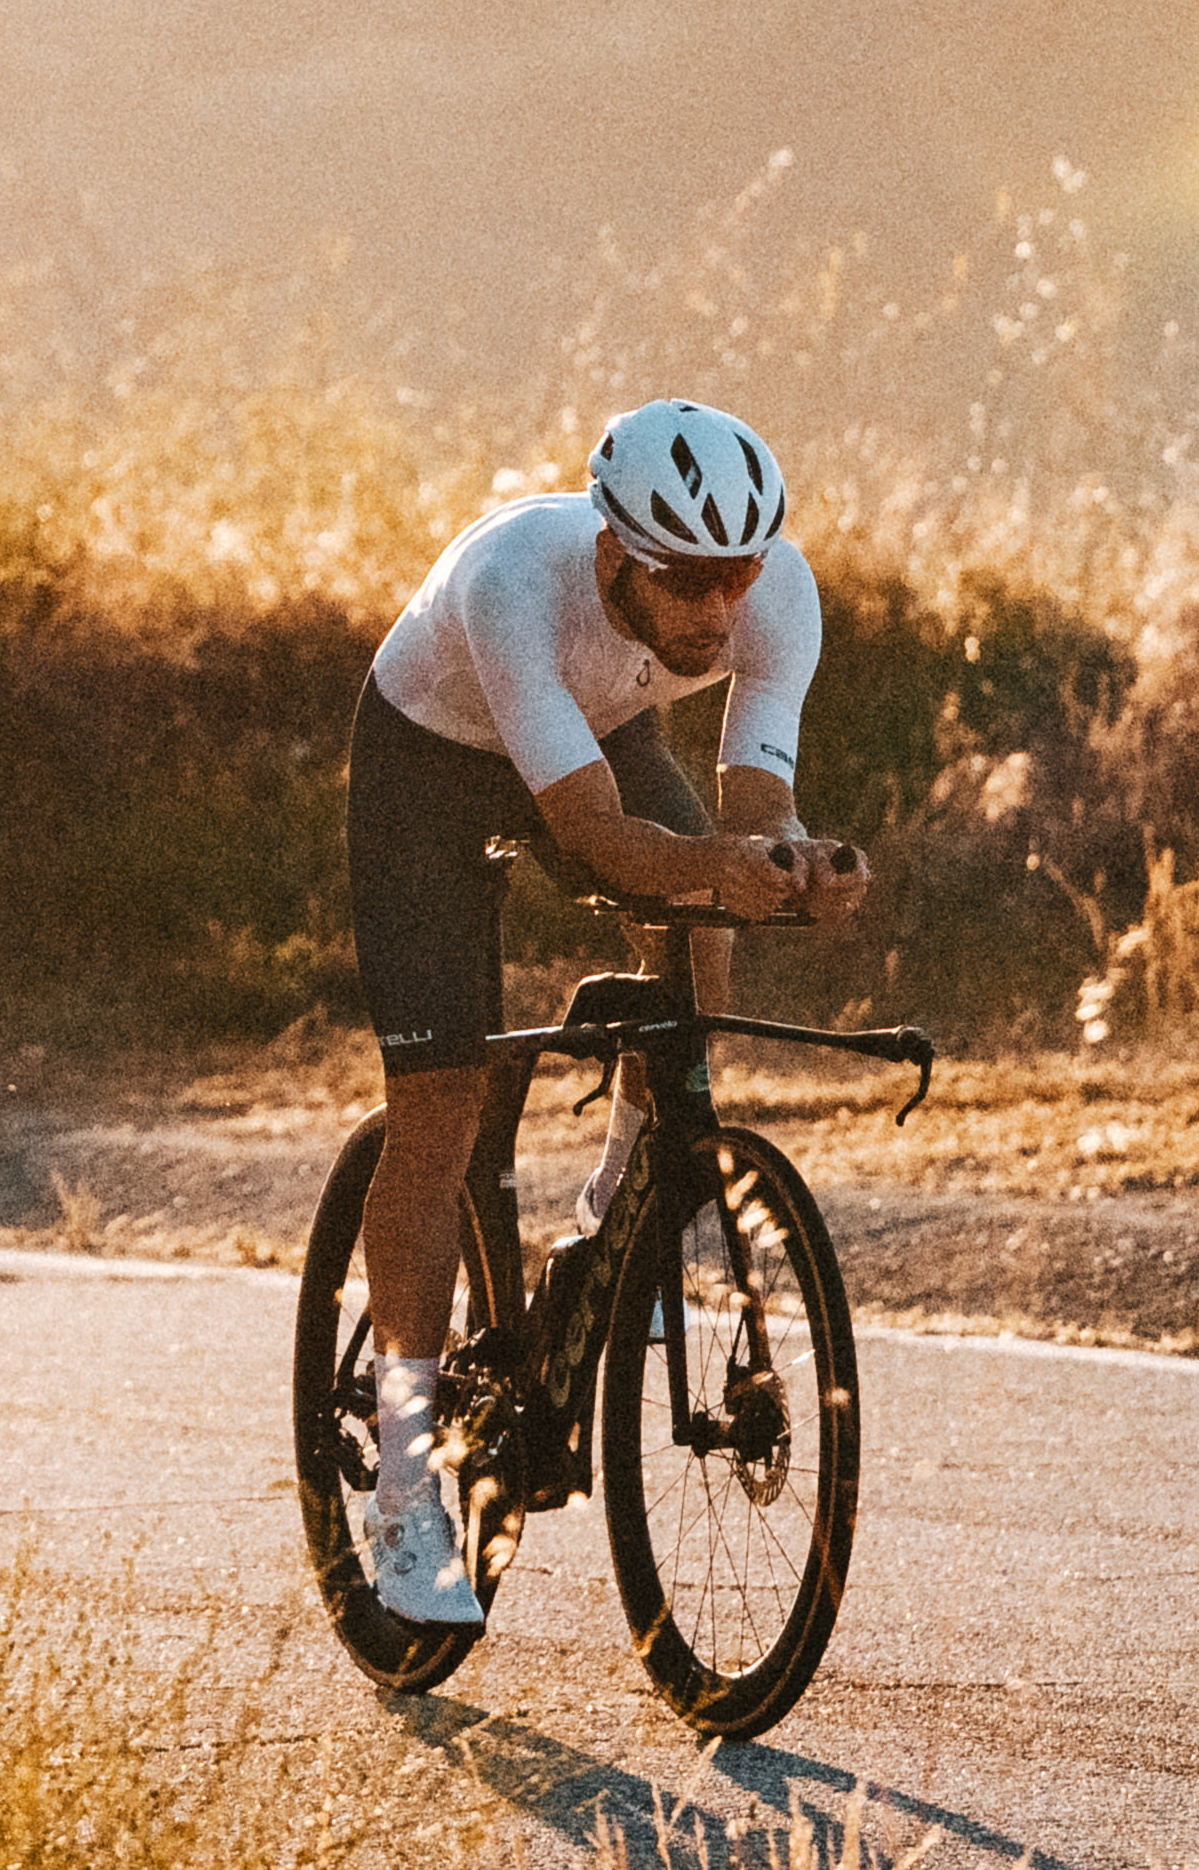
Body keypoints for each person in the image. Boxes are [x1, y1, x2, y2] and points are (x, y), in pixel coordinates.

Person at [332, 396, 877, 1625]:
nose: (714, 609)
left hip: (593, 730)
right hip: (429, 756)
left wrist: (799, 863)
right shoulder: (513, 584)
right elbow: (589, 833)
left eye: (734, 575)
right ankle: (405, 1485)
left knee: (704, 931)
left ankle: (625, 1206)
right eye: (683, 579)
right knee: (439, 1105)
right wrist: (714, 862)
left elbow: (751, 807)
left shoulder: (776, 593)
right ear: (612, 552)